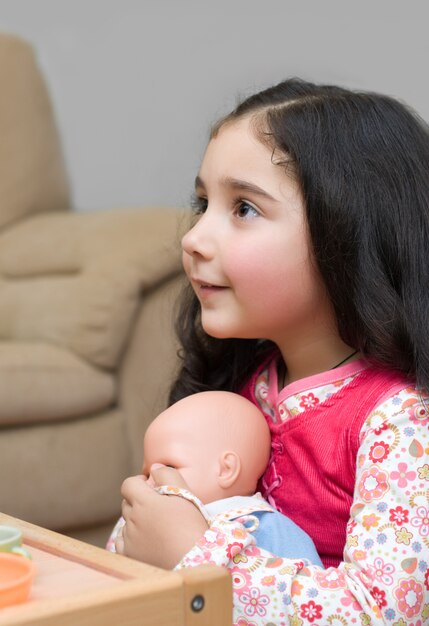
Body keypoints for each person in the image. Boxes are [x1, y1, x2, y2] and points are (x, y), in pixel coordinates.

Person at [116, 78, 429, 624]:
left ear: (348, 232)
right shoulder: (248, 383)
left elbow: (382, 613)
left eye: (243, 208)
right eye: (203, 203)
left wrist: (198, 558)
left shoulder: (400, 420)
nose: (193, 238)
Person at [110, 390, 323, 566]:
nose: (150, 482)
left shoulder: (263, 526)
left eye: (169, 466)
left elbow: (307, 591)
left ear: (226, 470)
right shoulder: (148, 513)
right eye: (147, 473)